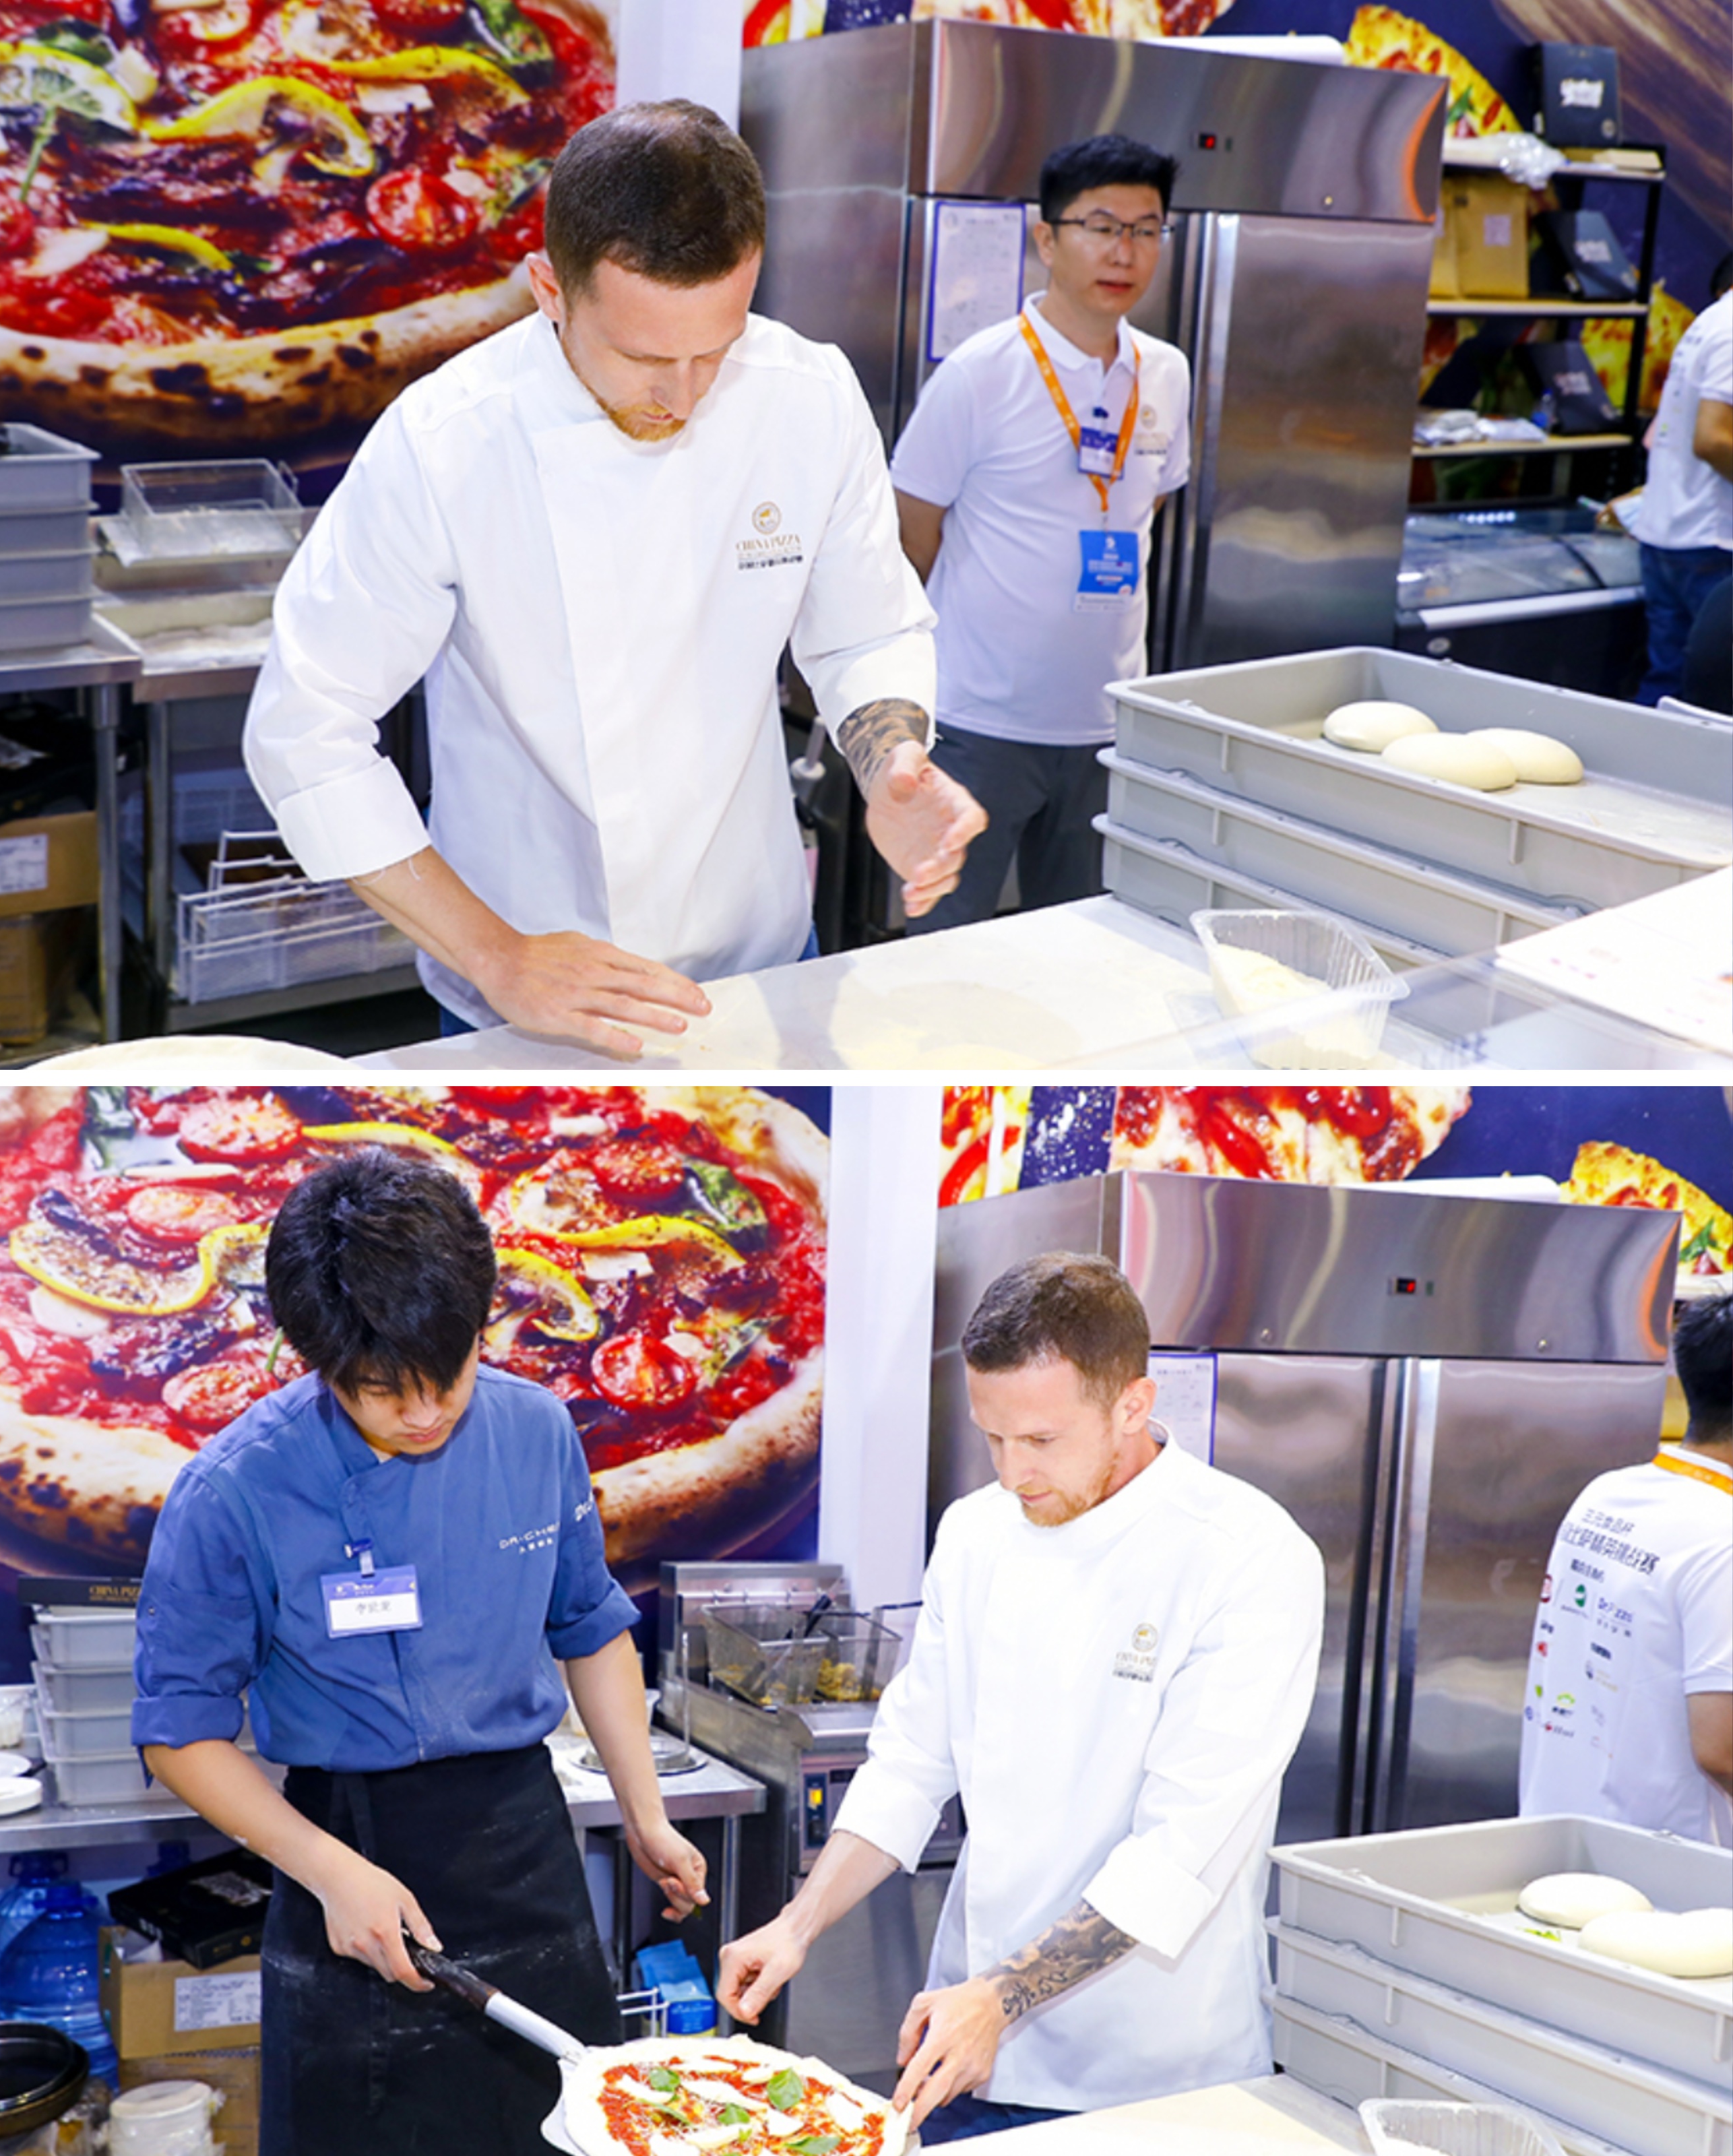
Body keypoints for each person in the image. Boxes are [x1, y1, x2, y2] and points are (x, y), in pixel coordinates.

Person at [242, 100, 984, 1058]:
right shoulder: (446, 441)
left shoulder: (810, 395)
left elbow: (865, 631)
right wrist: (497, 955)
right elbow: (305, 731)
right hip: (524, 988)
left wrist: (893, 768)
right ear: (550, 289)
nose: (683, 395)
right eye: (642, 356)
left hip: (758, 960)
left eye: (716, 349)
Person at [133, 1148, 708, 2156]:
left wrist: (644, 1810)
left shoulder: (535, 1431)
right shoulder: (234, 1488)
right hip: (344, 1846)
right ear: (317, 1360)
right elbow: (179, 1733)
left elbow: (588, 1624)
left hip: (524, 1844)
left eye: (451, 1374)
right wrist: (327, 1870)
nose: (426, 1411)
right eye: (383, 1390)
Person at [716, 1253, 1323, 2141]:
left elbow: (1176, 1854)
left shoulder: (1247, 1556)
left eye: (1040, 1440)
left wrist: (1001, 1996)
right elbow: (911, 1761)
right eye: (992, 1438)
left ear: (1132, 1405)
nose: (1011, 1473)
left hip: (1152, 2073)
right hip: (966, 2045)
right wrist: (798, 1925)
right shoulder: (976, 1533)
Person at [892, 135, 1191, 928]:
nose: (1123, 251)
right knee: (939, 945)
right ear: (1046, 239)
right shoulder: (979, 372)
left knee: (1079, 946)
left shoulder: (1165, 371)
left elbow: (1143, 512)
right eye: (1100, 226)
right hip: (976, 724)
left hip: (1106, 722)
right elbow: (910, 536)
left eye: (1145, 230)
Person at [1519, 1292, 1732, 1847]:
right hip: (1671, 1872)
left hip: (1561, 1838)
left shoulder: (1609, 1492)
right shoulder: (1724, 1537)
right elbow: (1722, 1750)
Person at [1629, 270, 1732, 707]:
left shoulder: (1710, 321)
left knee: (1669, 686)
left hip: (1672, 529)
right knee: (1710, 697)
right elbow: (1712, 439)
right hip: (1713, 538)